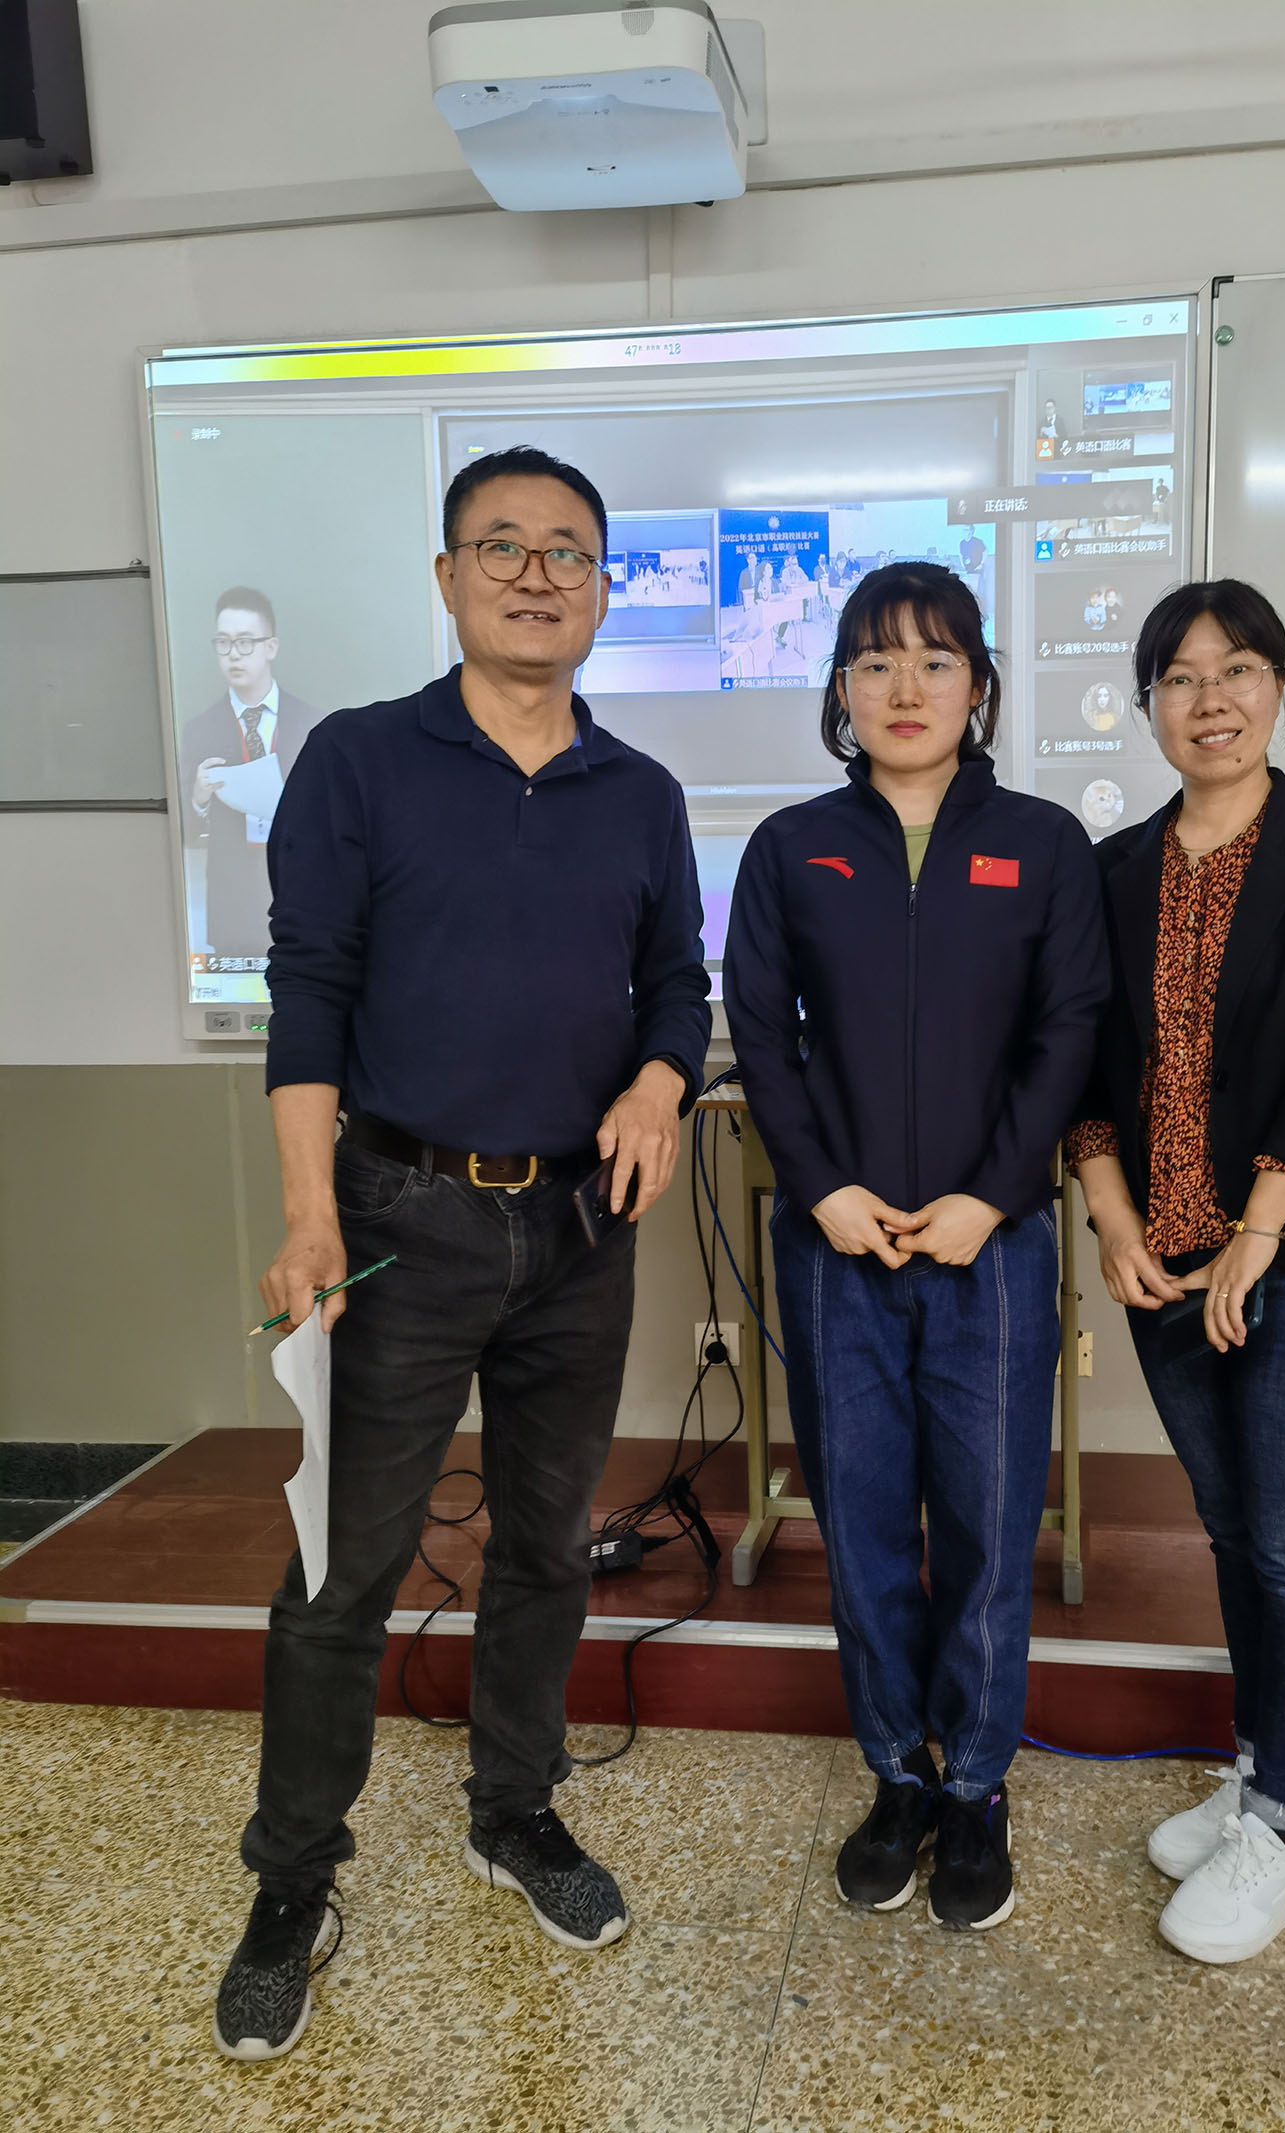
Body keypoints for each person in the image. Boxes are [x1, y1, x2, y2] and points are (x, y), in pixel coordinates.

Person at [212, 445, 711, 2061]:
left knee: (549, 1544)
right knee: (344, 1568)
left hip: (580, 1226)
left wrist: (658, 1080)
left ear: (604, 591)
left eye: (569, 550)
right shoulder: (361, 759)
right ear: (447, 579)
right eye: (501, 544)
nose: (536, 573)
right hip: (397, 1220)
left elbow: (676, 987)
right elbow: (309, 991)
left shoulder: (640, 793)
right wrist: (309, 1213)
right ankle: (294, 1876)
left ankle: (516, 1808)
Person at [724, 563, 1108, 1932]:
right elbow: (760, 1028)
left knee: (990, 1533)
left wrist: (992, 1196)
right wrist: (821, 1187)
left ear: (979, 686)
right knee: (865, 1526)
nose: (905, 687)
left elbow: (1071, 1029)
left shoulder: (1043, 844)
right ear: (840, 688)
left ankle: (977, 1787)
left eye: (935, 660)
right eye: (876, 661)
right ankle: (897, 1771)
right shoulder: (791, 846)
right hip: (837, 1247)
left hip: (988, 1250)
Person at [1067, 578, 1285, 1965]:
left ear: (1280, 687)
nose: (1211, 700)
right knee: (1233, 1535)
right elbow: (1086, 1074)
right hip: (1164, 1272)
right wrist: (1114, 1222)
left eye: (1240, 669)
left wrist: (1254, 1237)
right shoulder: (1112, 872)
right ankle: (1265, 1772)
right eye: (1180, 678)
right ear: (1148, 705)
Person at [179, 589, 322, 962]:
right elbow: (182, 831)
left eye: (244, 642)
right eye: (223, 643)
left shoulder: (312, 723)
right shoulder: (199, 730)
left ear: (270, 647)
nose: (233, 654)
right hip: (234, 905)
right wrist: (197, 798)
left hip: (304, 895)